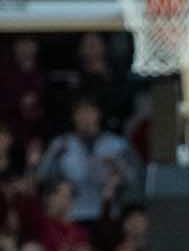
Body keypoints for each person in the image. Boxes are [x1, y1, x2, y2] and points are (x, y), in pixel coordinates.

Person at [37, 96, 143, 226]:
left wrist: (118, 167)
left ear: (98, 114)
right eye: (80, 113)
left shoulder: (116, 145)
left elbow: (137, 180)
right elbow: (42, 177)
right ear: (73, 117)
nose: (85, 117)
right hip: (72, 215)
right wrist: (53, 157)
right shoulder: (61, 144)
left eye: (89, 112)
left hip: (108, 215)